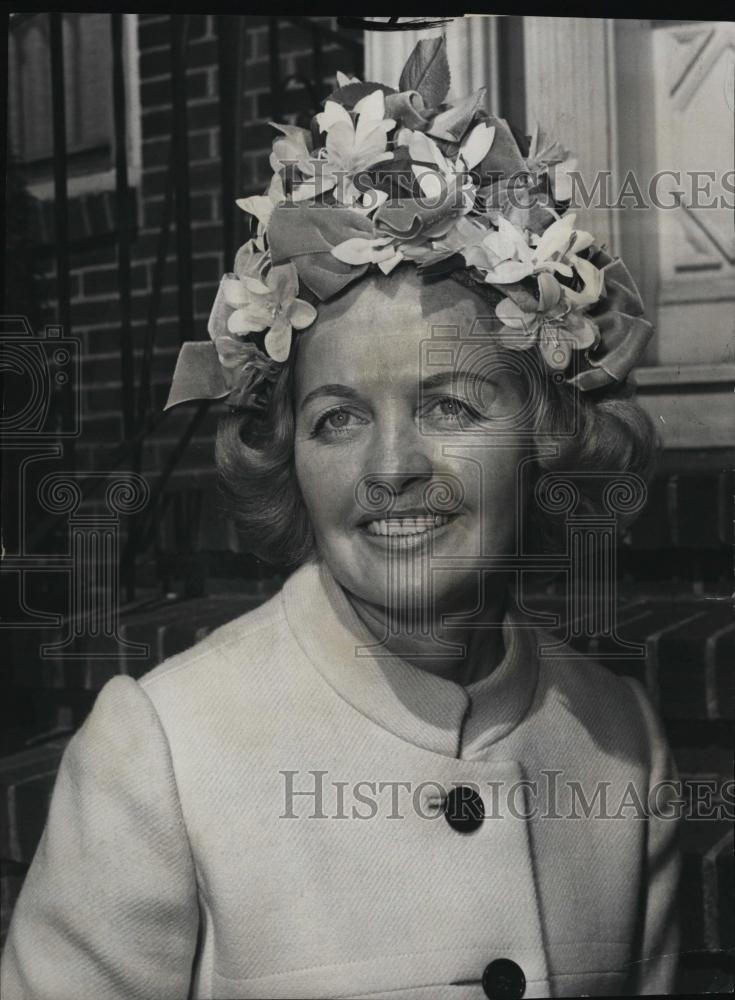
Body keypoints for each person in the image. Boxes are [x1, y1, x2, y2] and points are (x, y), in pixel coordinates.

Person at [2, 39, 680, 1000]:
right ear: (289, 458)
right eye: (338, 419)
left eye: (449, 404)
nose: (392, 467)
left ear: (543, 436)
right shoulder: (161, 752)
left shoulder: (619, 744)